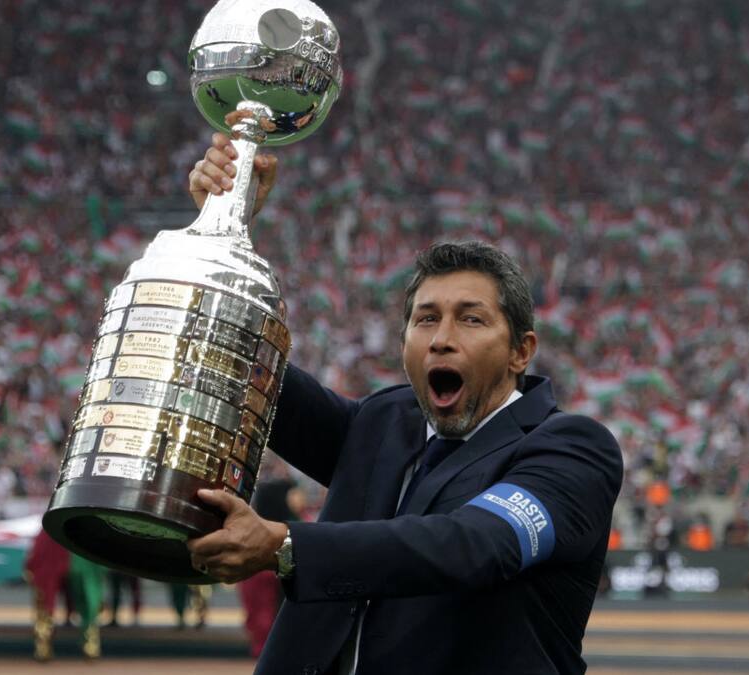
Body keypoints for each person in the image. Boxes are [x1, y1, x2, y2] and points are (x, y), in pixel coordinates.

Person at [183, 135, 624, 674]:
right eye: (425, 318)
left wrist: (286, 545)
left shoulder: (572, 450)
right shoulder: (380, 423)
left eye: (471, 318)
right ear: (403, 343)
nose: (441, 338)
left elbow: (474, 544)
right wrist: (226, 229)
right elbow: (247, 369)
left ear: (520, 352)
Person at [237, 478, 302, 658]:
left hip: (270, 615)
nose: (299, 500)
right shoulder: (285, 534)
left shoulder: (272, 528)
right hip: (272, 614)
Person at [24, 529, 103, 661]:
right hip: (73, 540)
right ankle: (90, 643)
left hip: (62, 538)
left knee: (46, 597)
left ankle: (43, 645)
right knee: (87, 597)